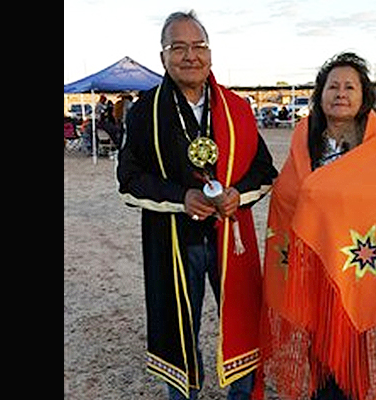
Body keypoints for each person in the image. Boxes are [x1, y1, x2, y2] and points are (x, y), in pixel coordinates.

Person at [117, 10, 278, 400]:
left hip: (231, 237)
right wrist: (180, 197)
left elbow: (265, 170)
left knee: (241, 317)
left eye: (198, 46)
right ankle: (184, 392)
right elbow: (129, 180)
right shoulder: (145, 112)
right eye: (178, 47)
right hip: (173, 239)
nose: (190, 56)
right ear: (163, 57)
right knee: (178, 324)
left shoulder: (236, 108)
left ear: (210, 53)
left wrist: (238, 193)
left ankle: (242, 393)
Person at [260, 52, 376, 400]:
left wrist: (318, 194)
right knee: (317, 341)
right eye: (333, 86)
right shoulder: (305, 137)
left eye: (349, 86)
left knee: (349, 343)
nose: (340, 93)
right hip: (313, 257)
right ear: (320, 93)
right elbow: (288, 192)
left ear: (363, 96)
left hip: (354, 260)